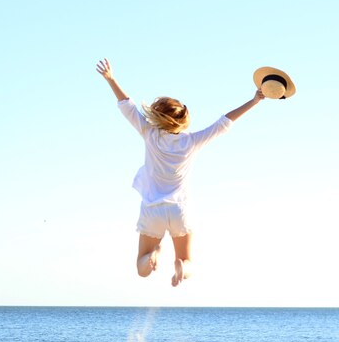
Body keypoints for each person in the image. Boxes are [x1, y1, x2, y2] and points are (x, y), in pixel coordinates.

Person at [96, 58, 265, 287]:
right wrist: (255, 100)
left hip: (152, 208)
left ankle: (152, 257)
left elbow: (127, 105)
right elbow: (225, 122)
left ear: (158, 117)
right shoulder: (192, 142)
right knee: (187, 260)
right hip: (180, 210)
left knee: (141, 268)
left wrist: (111, 79)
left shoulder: (149, 133)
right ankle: (182, 268)